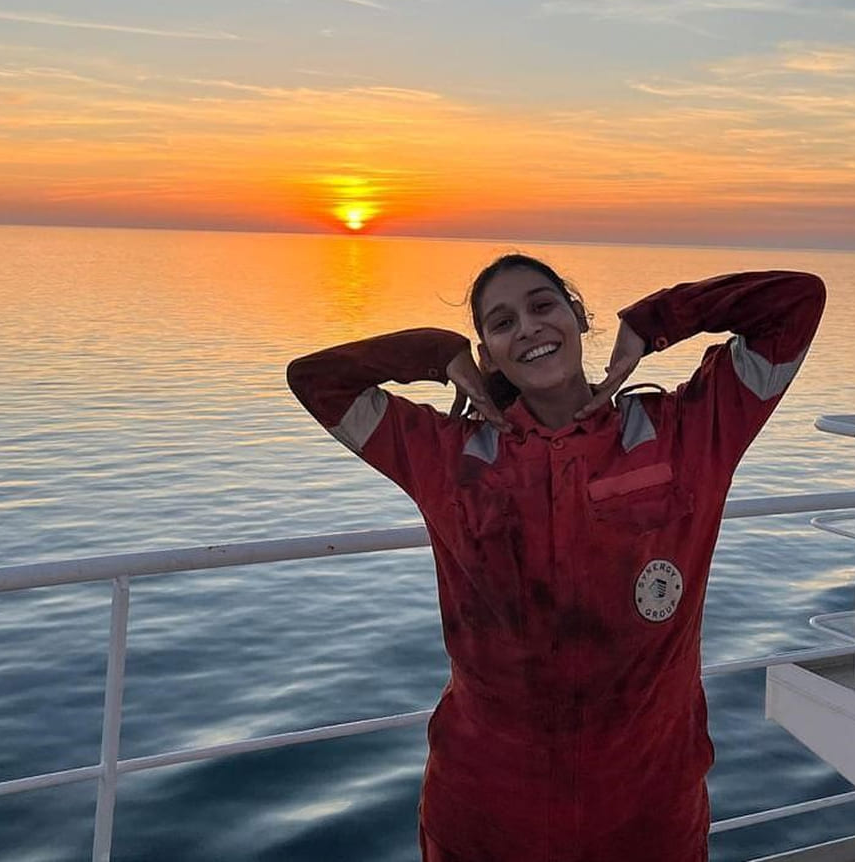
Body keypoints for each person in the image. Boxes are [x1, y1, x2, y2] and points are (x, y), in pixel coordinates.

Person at [286, 254, 825, 862]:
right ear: (487, 353)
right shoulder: (445, 456)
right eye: (502, 322)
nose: (528, 329)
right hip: (486, 815)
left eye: (543, 306)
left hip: (648, 813)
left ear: (577, 317)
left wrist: (654, 322)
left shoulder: (690, 430)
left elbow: (793, 303)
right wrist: (437, 354)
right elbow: (316, 380)